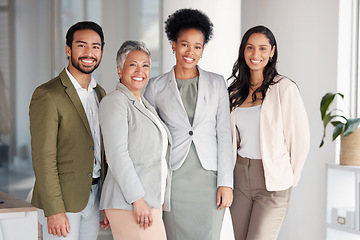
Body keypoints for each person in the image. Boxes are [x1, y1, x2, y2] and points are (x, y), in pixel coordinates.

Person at [144, 8, 233, 240]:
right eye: (184, 44)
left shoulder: (217, 83)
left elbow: (224, 135)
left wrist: (226, 183)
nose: (190, 51)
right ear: (173, 45)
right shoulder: (155, 86)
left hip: (209, 181)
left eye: (197, 46)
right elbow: (150, 138)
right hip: (174, 180)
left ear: (203, 50)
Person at [228, 25, 310, 240]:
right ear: (243, 51)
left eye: (263, 48)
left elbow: (300, 139)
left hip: (272, 180)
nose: (256, 55)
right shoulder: (235, 91)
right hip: (239, 177)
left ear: (272, 51)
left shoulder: (284, 88)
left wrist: (288, 178)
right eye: (250, 48)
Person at [29, 21, 107, 240]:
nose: (89, 53)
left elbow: (100, 149)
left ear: (101, 52)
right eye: (81, 45)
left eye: (96, 47)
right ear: (68, 49)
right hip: (62, 202)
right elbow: (43, 158)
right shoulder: (48, 94)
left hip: (94, 196)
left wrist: (107, 202)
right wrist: (54, 210)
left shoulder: (100, 94)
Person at [99, 40, 172, 240]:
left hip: (146, 201)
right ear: (119, 70)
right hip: (132, 202)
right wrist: (137, 200)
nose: (140, 70)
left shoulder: (145, 105)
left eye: (145, 65)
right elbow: (117, 156)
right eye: (133, 65)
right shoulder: (115, 101)